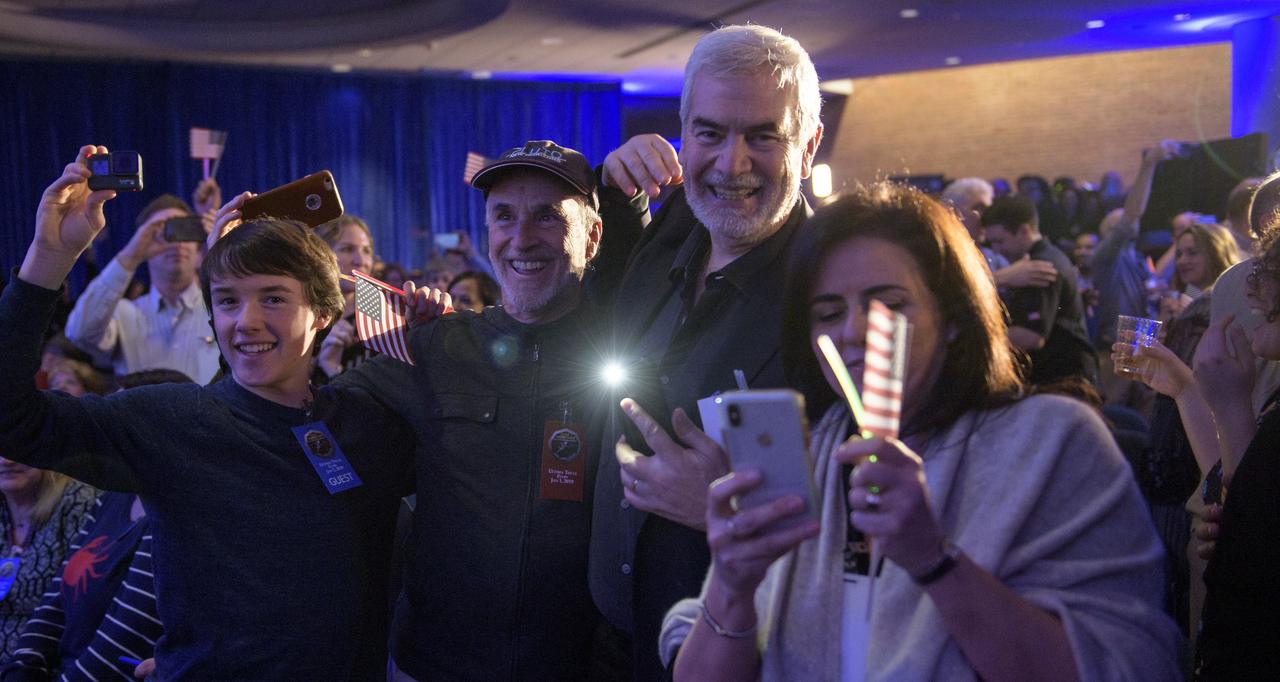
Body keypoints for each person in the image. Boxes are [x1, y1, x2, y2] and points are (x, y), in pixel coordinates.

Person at [661, 182, 1180, 680]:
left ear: (953, 317)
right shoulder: (811, 456)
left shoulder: (1051, 442)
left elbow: (1126, 666)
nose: (853, 330)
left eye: (888, 303)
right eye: (828, 312)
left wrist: (934, 557)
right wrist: (732, 585)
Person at [0, 145, 415, 679]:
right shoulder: (171, 421)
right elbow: (13, 418)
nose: (246, 321)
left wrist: (431, 335)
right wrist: (47, 260)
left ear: (324, 313)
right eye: (226, 300)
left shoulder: (368, 421)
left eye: (273, 298)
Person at [587, 24, 824, 678]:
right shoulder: (673, 226)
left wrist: (724, 505)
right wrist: (614, 184)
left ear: (809, 144)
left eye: (763, 136)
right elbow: (600, 321)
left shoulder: (833, 296)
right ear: (683, 134)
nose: (732, 164)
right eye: (711, 133)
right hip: (615, 642)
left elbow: (872, 540)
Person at [334, 139, 614, 680]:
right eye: (504, 217)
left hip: (578, 667)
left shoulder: (629, 351)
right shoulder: (437, 345)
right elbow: (311, 420)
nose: (521, 238)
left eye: (548, 217)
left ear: (592, 236)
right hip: (436, 664)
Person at [64, 181, 222, 384]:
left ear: (199, 251)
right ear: (142, 243)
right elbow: (80, 333)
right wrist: (130, 255)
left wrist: (218, 247)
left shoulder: (219, 309)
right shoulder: (124, 314)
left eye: (185, 229)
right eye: (161, 232)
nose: (176, 242)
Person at [982, 195, 1097, 386]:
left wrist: (975, 341)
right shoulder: (1048, 256)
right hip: (1066, 377)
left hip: (1063, 382)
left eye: (1000, 241)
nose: (996, 249)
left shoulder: (1038, 268)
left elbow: (1030, 337)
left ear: (1024, 231)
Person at [0, 461, 95, 658]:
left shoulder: (78, 502)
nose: (6, 460)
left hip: (42, 663)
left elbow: (77, 613)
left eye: (16, 445)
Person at [314, 215, 379, 379]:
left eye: (366, 251)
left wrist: (332, 368)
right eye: (347, 249)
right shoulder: (302, 319)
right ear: (321, 256)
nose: (360, 261)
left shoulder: (382, 321)